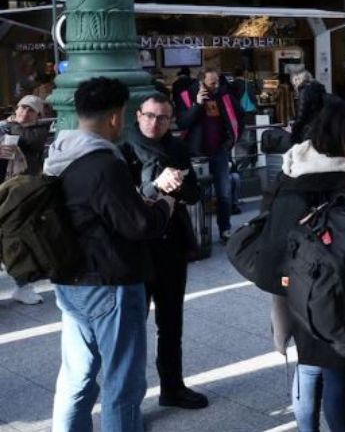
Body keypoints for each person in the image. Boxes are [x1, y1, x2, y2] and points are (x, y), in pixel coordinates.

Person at [45, 77, 174, 432]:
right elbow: (138, 225)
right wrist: (164, 205)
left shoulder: (60, 153)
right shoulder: (103, 163)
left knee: (76, 376)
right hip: (109, 280)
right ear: (116, 116)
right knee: (123, 382)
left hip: (70, 279)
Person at [265, 103, 345, 432]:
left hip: (294, 286)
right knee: (336, 373)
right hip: (336, 289)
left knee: (308, 363)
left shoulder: (292, 171)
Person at [121, 92, 209, 409]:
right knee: (132, 327)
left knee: (171, 323)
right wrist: (156, 185)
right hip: (137, 248)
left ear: (171, 120)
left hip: (172, 245)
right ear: (138, 116)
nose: (155, 123)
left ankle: (172, 387)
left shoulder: (177, 148)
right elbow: (122, 202)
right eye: (149, 115)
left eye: (162, 118)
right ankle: (128, 402)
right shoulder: (123, 148)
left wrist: (179, 186)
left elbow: (195, 194)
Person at [178, 68, 241, 243]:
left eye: (218, 82)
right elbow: (182, 122)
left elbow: (239, 117)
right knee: (196, 194)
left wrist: (229, 142)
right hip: (196, 154)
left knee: (224, 193)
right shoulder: (187, 96)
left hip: (219, 152)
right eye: (212, 83)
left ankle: (225, 229)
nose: (216, 85)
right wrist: (197, 105)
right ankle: (197, 233)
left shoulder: (223, 96)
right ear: (201, 82)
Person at [1, 95, 53, 305]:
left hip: (21, 194)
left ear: (38, 115)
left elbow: (30, 142)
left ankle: (23, 287)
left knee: (17, 241)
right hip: (4, 189)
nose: (24, 112)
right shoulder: (4, 127)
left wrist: (9, 129)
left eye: (31, 109)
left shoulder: (38, 132)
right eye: (22, 107)